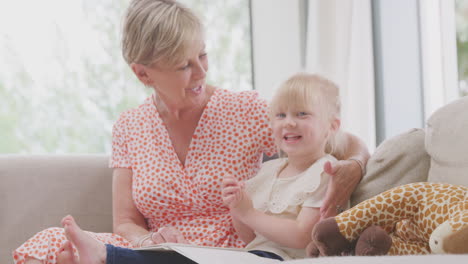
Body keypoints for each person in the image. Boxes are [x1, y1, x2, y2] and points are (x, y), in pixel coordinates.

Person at [13, 1, 369, 264]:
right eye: (184, 65)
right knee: (50, 243)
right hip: (154, 249)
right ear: (143, 74)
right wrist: (148, 237)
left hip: (233, 251)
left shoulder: (246, 110)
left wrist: (354, 164)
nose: (200, 72)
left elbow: (333, 137)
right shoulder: (129, 127)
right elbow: (125, 220)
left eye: (203, 56)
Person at [221, 73, 347, 261]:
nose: (289, 122)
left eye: (302, 113)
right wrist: (237, 207)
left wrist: (249, 213)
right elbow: (251, 239)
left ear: (332, 126)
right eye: (280, 115)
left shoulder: (325, 171)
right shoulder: (267, 171)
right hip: (255, 255)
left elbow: (302, 236)